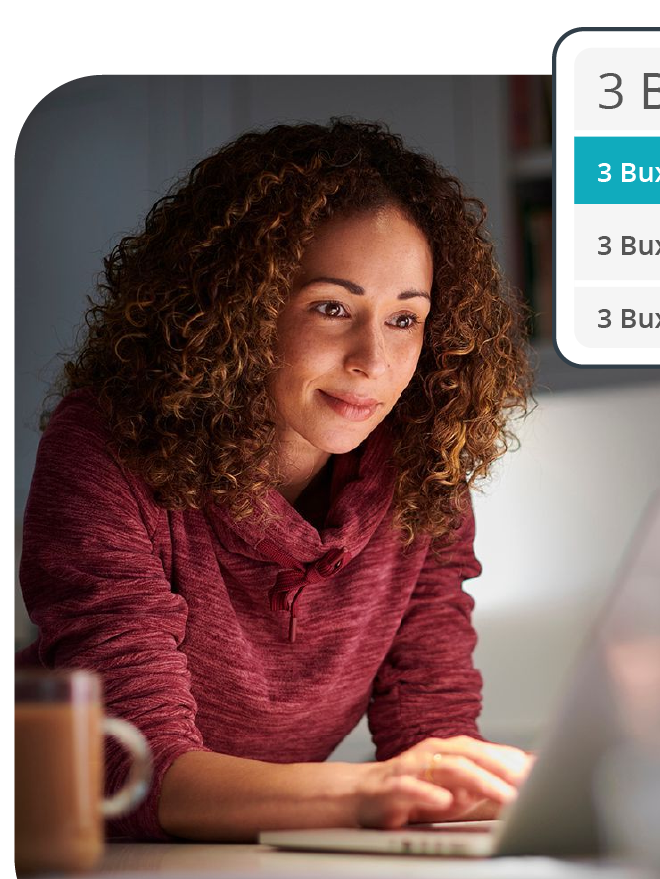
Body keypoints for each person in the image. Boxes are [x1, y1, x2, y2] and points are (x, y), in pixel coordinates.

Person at [17, 119, 534, 842]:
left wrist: (508, 788)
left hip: (245, 872)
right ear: (235, 309)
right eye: (332, 308)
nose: (372, 360)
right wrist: (372, 791)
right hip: (79, 871)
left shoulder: (422, 474)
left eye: (405, 318)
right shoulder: (107, 451)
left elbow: (432, 736)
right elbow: (135, 775)